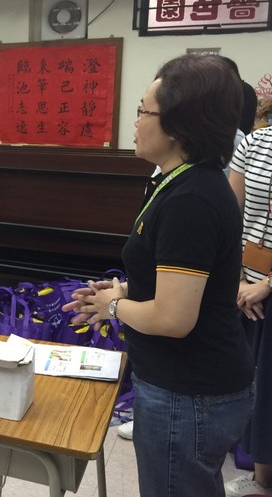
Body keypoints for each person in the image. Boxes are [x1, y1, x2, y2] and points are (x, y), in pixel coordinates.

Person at [63, 54, 255, 496]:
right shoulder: (177, 182)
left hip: (189, 394)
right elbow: (177, 282)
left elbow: (173, 318)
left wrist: (113, 305)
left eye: (144, 110)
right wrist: (122, 291)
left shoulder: (193, 199)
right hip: (182, 386)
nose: (136, 121)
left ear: (179, 123)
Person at [225, 125, 272, 496]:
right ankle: (260, 478)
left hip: (264, 286)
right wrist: (239, 278)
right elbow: (231, 214)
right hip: (244, 286)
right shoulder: (254, 142)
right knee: (253, 381)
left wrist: (267, 285)